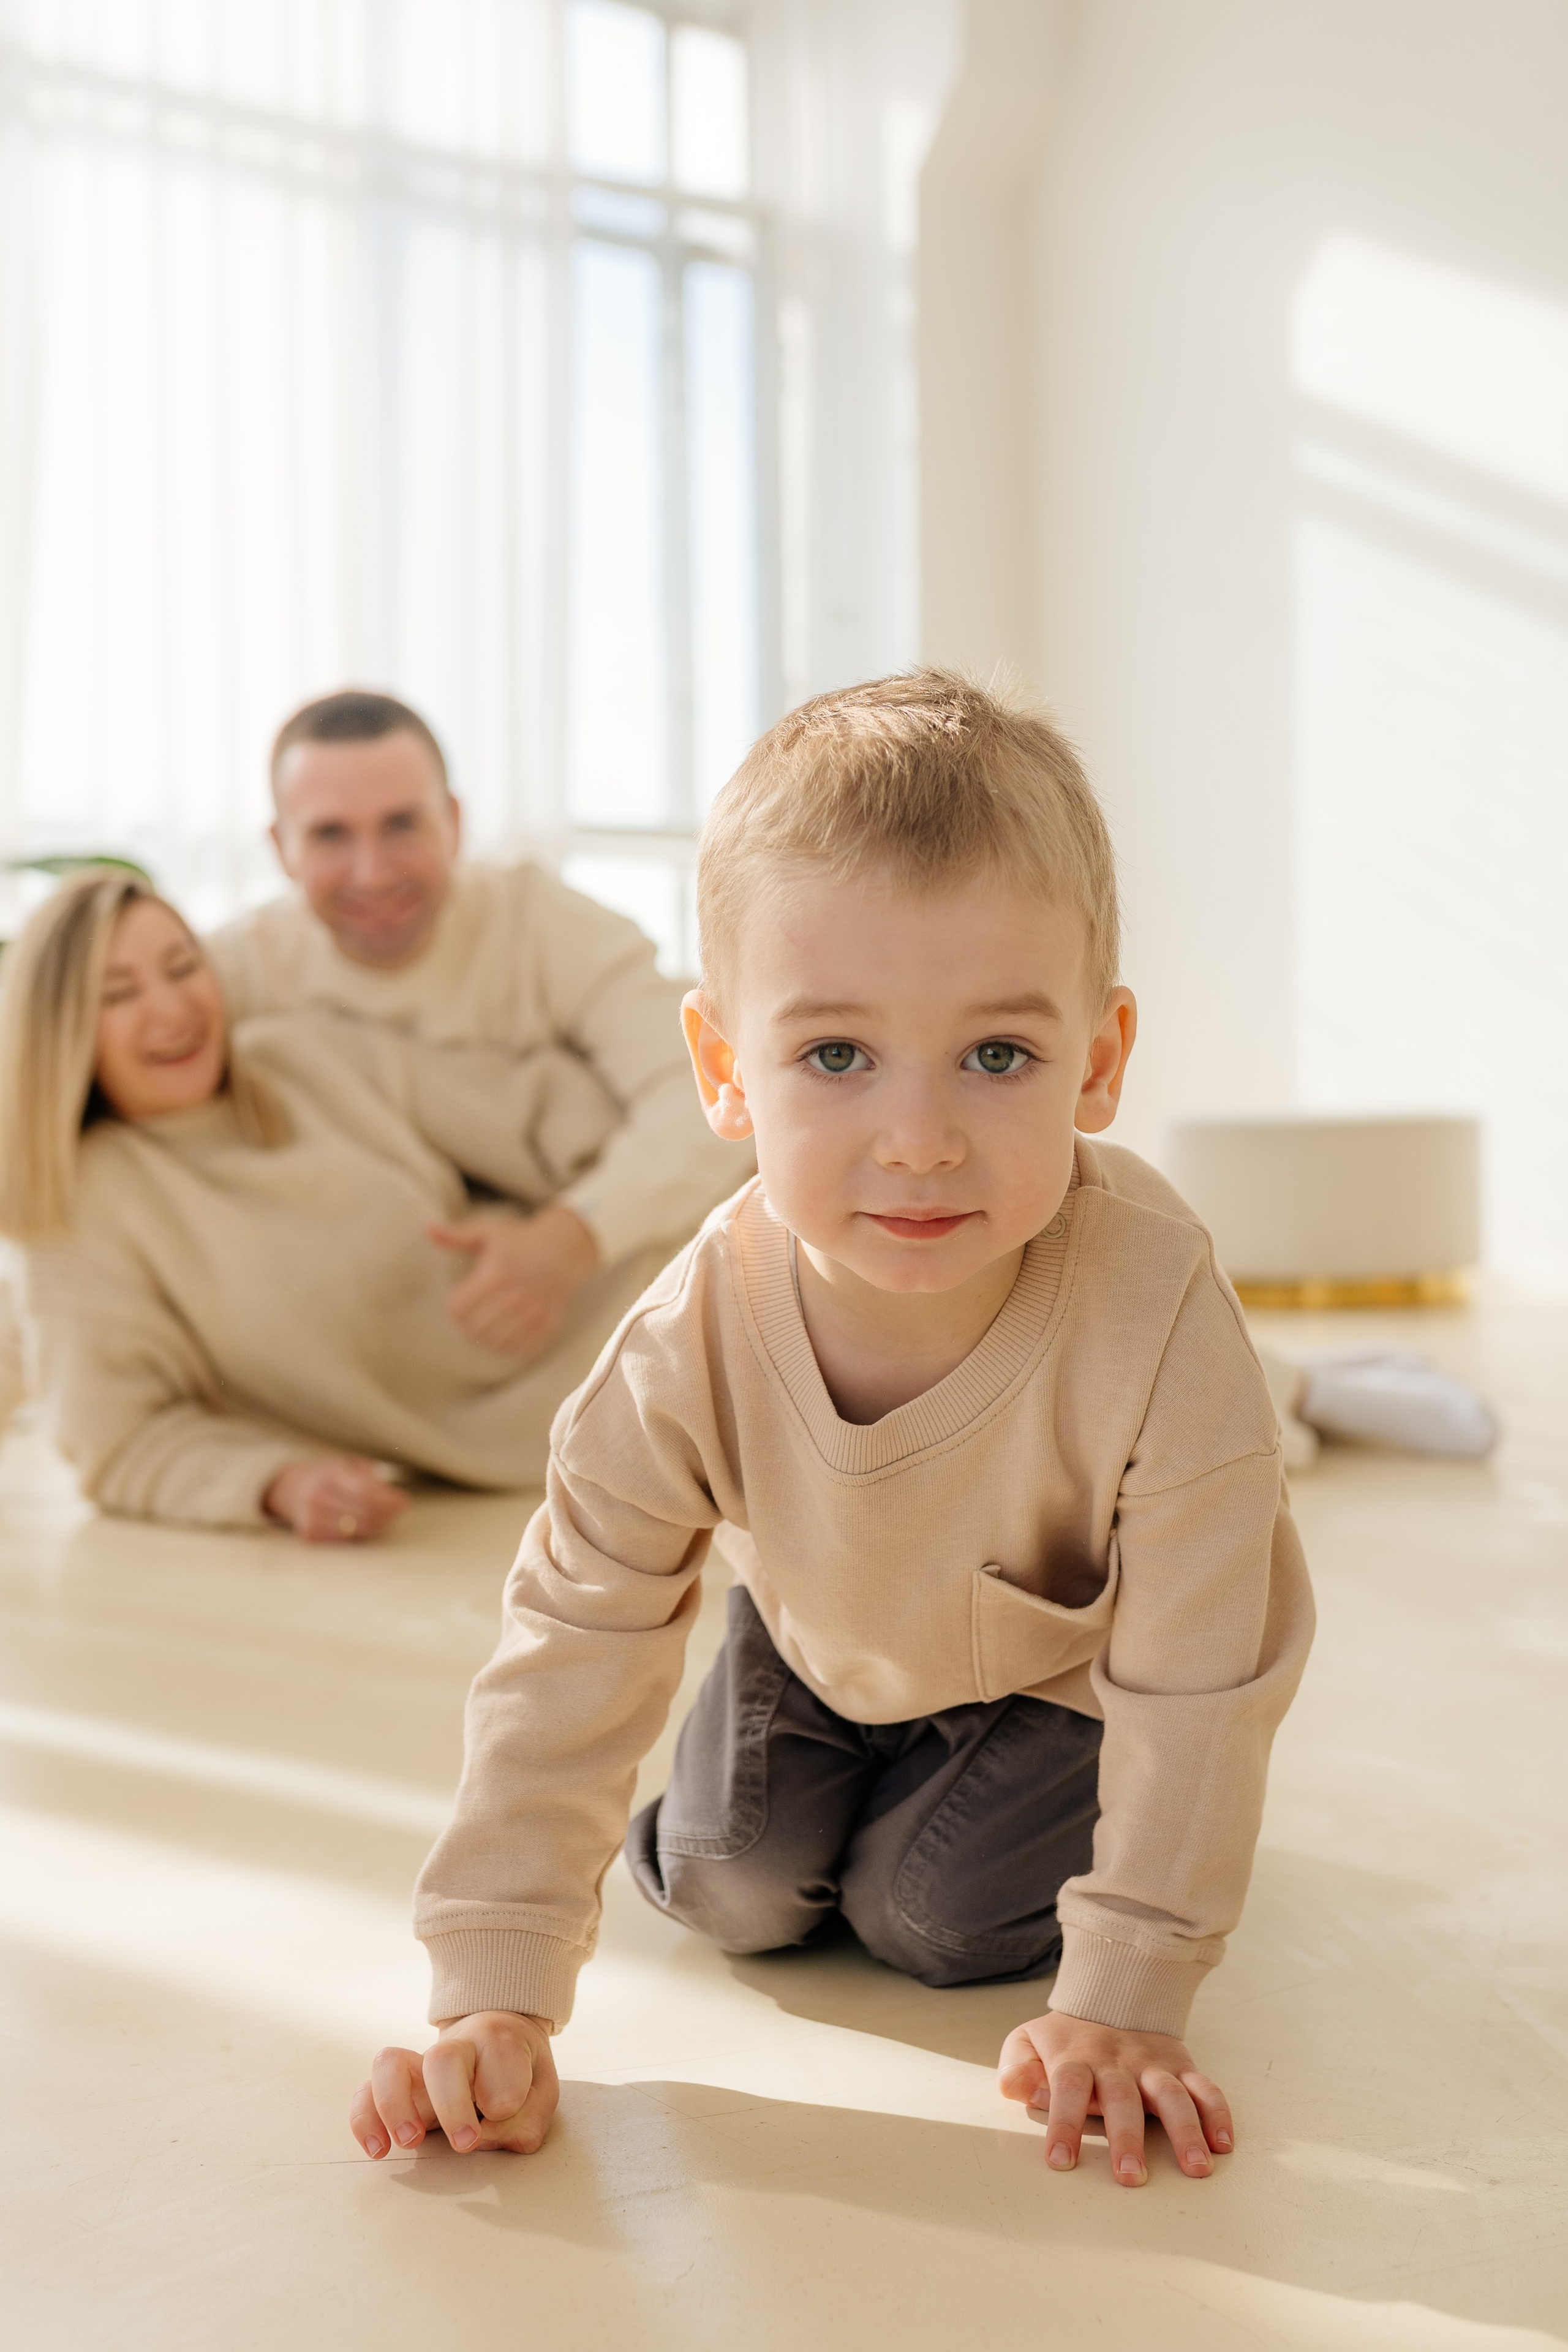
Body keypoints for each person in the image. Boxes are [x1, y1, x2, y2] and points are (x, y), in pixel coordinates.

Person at [350, 672, 1314, 2188]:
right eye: (834, 1056)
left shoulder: (1155, 1300)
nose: (918, 1138)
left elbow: (1202, 1667)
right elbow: (571, 1639)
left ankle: (966, 1811)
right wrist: (493, 1988)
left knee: (920, 1916)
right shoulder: (687, 1336)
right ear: (725, 1069)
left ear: (1100, 1059)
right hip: (821, 1642)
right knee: (734, 1888)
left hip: (1058, 1680)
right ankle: (808, 1760)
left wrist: (1130, 1983)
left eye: (997, 1056)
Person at [0, 872, 687, 1539]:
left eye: (184, 967)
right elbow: (117, 1441)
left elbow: (543, 1113)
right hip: (604, 1433)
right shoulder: (87, 1205)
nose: (171, 1008)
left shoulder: (297, 1056)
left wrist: (570, 1231)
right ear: (65, 1033)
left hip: (671, 1284)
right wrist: (281, 1485)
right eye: (118, 993)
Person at [208, 690, 741, 1363]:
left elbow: (712, 1096)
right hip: (356, 1326)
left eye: (401, 825)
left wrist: (572, 1236)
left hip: (579, 1303)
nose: (372, 872)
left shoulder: (543, 925)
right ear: (281, 847)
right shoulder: (230, 975)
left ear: (454, 823)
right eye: (330, 835)